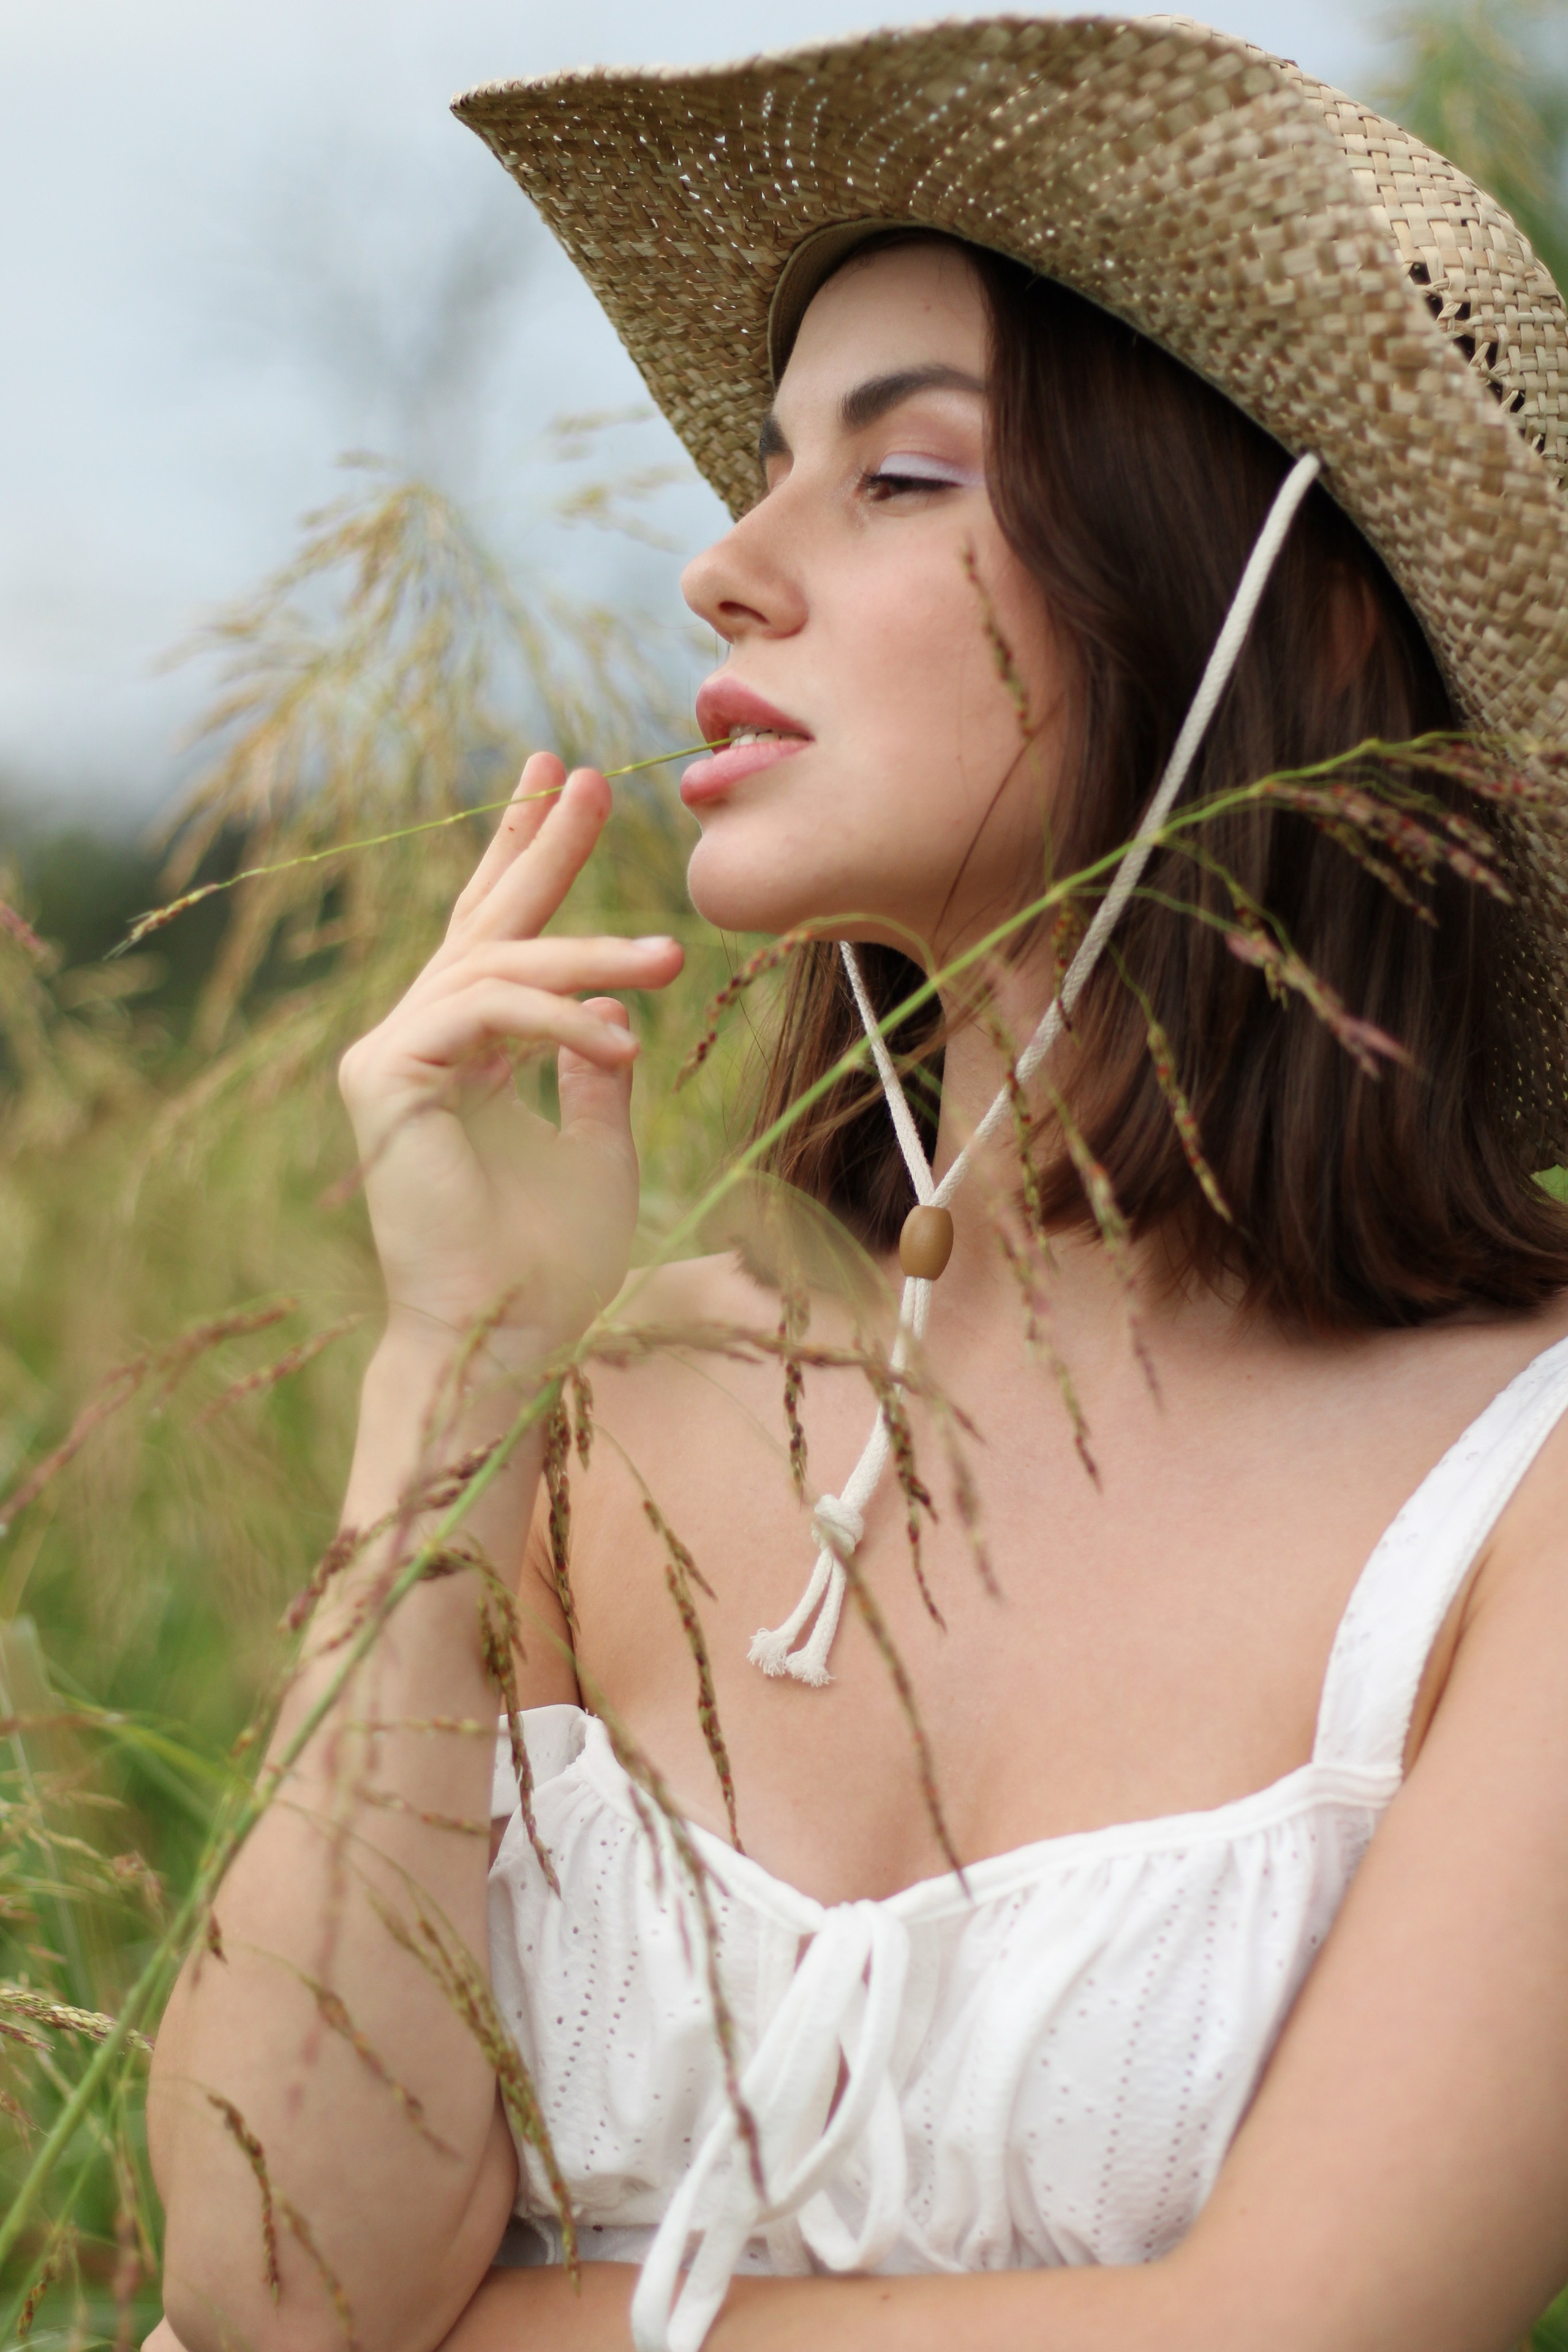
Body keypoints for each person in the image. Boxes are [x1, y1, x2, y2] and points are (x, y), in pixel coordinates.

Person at [146, 17, 1568, 2352]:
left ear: (1283, 622)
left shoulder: (1519, 1493)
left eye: (898, 477)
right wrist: (453, 1385)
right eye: (767, 467)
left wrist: (512, 2324)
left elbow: (1304, 2330)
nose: (725, 567)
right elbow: (269, 2283)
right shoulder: (612, 1407)